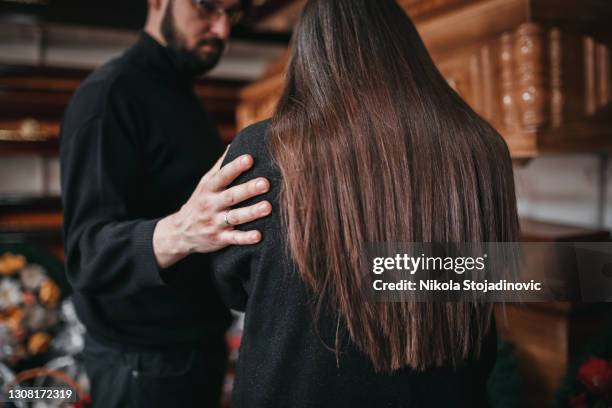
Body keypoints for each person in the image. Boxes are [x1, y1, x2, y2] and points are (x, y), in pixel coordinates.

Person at [212, 0, 520, 407]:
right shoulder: (483, 148)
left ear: (308, 57)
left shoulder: (261, 151)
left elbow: (229, 286)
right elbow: (488, 277)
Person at [59, 0, 272, 406]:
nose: (222, 30)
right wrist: (182, 230)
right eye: (208, 8)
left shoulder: (181, 95)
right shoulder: (108, 96)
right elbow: (87, 256)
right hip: (143, 368)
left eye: (233, 16)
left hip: (198, 352)